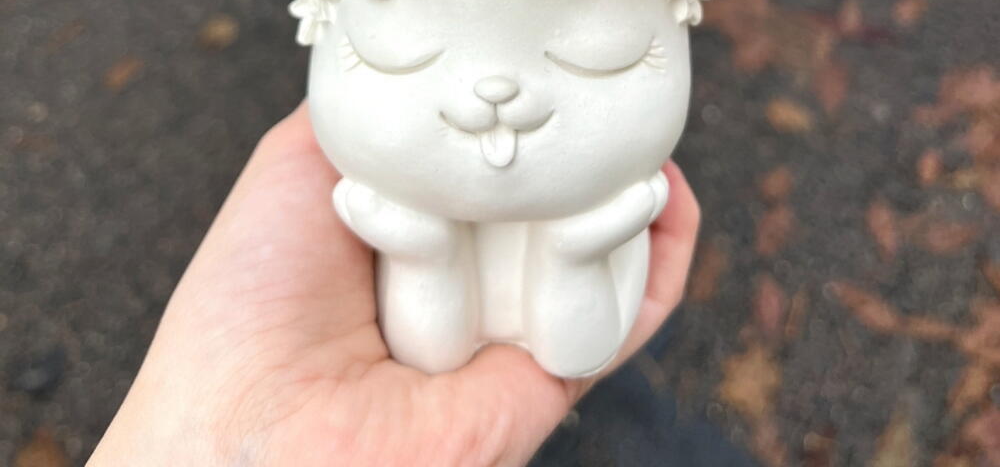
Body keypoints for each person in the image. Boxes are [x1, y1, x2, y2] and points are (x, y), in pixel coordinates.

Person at [89, 103, 700, 466]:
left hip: (581, 244)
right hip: (439, 266)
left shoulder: (601, 184)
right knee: (429, 324)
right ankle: (434, 261)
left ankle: (570, 262)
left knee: (574, 336)